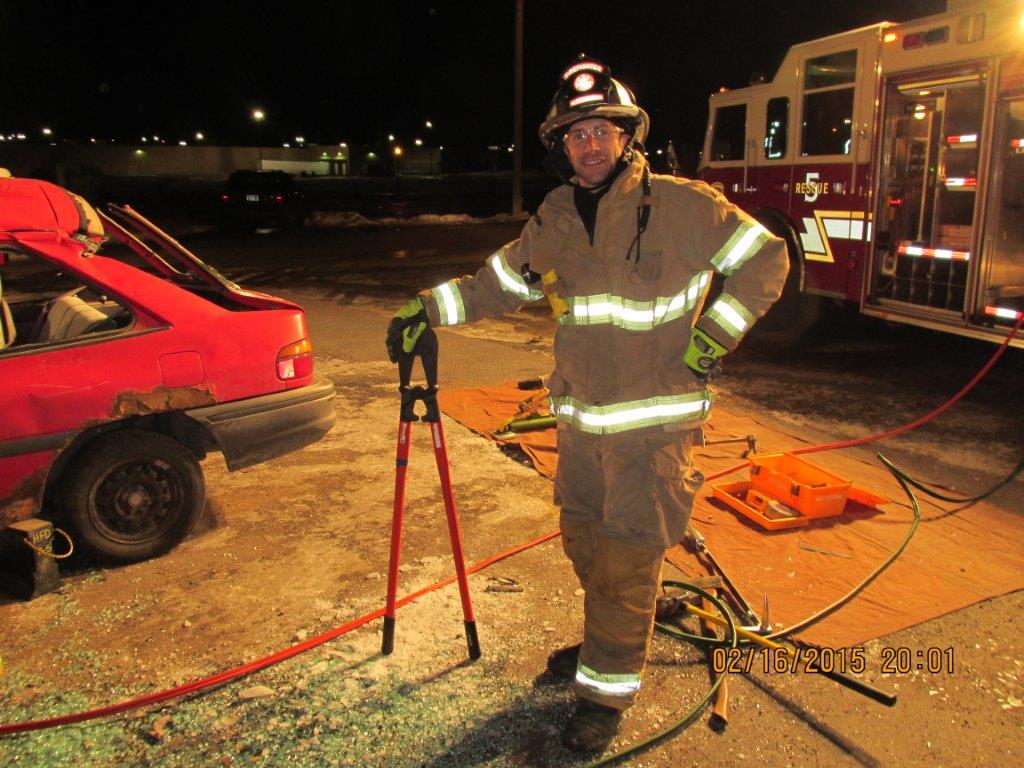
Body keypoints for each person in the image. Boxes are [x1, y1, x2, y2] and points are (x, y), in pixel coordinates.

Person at [386, 56, 788, 753]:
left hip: (655, 432)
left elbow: (767, 257)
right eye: (576, 135)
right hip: (581, 431)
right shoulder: (557, 216)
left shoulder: (685, 206)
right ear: (562, 147)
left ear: (627, 135)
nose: (590, 144)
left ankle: (604, 694)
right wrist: (428, 307)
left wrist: (714, 336)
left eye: (602, 129)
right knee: (586, 546)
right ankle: (618, 629)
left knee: (627, 561)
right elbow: (499, 283)